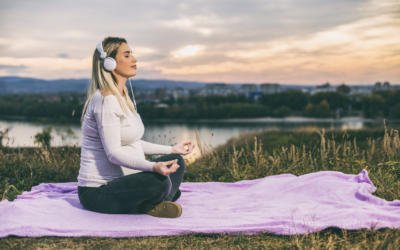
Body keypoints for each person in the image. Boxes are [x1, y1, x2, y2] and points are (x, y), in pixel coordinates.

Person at [77, 36, 195, 218]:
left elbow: (134, 143)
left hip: (123, 182)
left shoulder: (122, 96)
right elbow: (113, 153)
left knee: (176, 161)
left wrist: (172, 148)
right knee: (161, 183)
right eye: (127, 55)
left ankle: (157, 201)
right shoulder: (106, 100)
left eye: (132, 54)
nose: (134, 59)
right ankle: (161, 197)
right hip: (98, 192)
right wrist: (152, 167)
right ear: (109, 63)